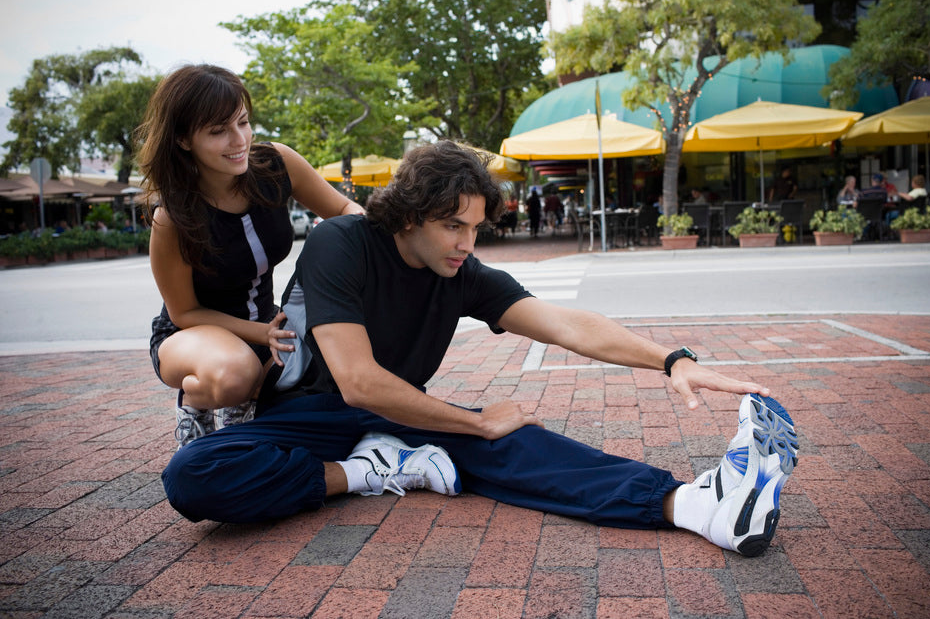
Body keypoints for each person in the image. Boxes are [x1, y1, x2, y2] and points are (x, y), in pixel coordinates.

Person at [162, 141, 799, 557]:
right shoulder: (344, 243)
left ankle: (700, 506)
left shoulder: (460, 272)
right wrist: (470, 420)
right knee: (193, 476)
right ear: (408, 215)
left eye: (474, 227)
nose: (467, 242)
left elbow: (565, 324)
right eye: (452, 225)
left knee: (513, 445)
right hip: (308, 416)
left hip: (393, 416)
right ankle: (374, 471)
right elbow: (356, 382)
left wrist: (673, 360)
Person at [136, 64, 367, 449]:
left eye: (242, 122)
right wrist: (262, 334)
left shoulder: (276, 165)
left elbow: (345, 210)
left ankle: (245, 415)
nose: (238, 139)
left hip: (267, 327)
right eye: (218, 131)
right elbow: (184, 313)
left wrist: (366, 239)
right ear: (182, 139)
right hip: (189, 337)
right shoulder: (173, 217)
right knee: (234, 375)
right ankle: (197, 399)